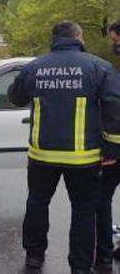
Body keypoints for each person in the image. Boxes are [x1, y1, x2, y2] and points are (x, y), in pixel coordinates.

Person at [8, 21, 120, 274]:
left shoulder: (35, 67)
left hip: (42, 155)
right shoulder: (99, 67)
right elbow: (115, 109)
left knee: (37, 203)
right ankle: (80, 267)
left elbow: (15, 97)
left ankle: (34, 257)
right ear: (78, 37)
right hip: (84, 158)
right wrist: (113, 150)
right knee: (84, 211)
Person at [95, 20, 120, 270]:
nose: (115, 45)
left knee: (103, 198)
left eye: (115, 40)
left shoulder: (113, 73)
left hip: (116, 151)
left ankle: (103, 255)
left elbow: (114, 108)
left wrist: (110, 149)